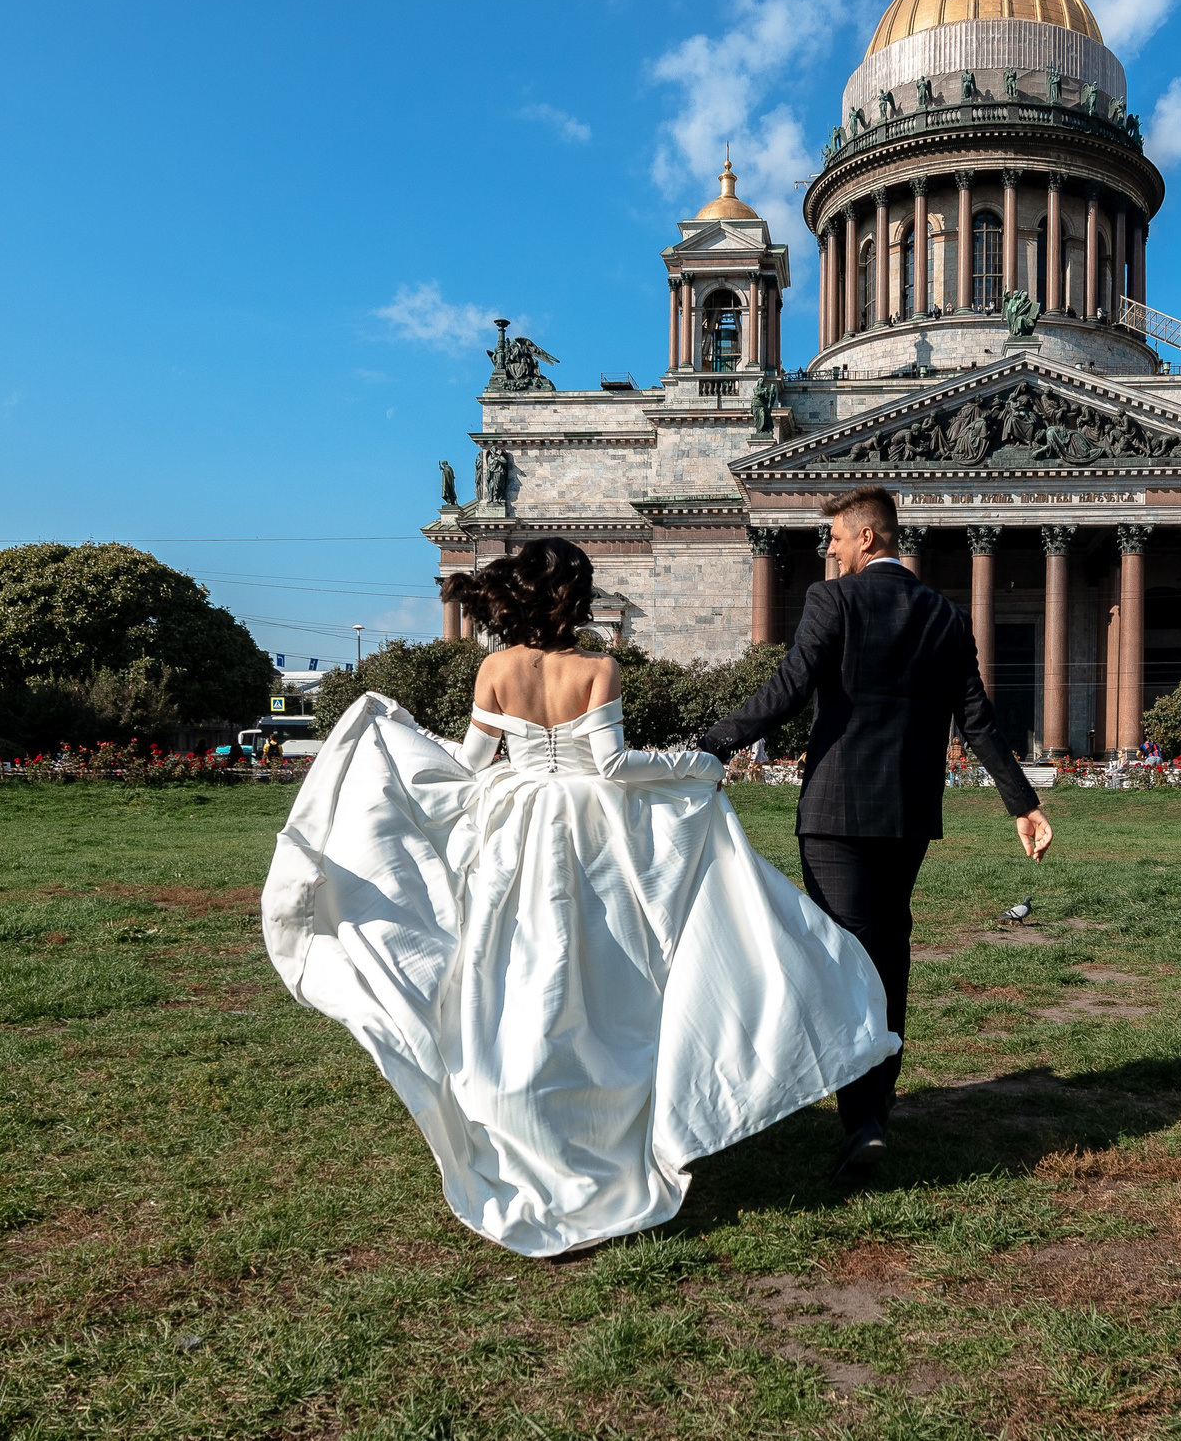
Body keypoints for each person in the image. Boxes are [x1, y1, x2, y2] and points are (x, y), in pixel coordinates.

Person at [262, 537, 896, 1258]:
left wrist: (409, 753)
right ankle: (604, 1133)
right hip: (589, 833)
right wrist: (692, 765)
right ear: (577, 597)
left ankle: (521, 1124)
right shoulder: (600, 667)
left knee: (514, 973)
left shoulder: (495, 667)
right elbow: (614, 764)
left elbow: (470, 766)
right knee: (597, 978)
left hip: (513, 831)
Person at [698, 485, 1051, 1184]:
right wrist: (1023, 803)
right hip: (908, 813)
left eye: (833, 536)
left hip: (835, 811)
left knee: (842, 956)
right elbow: (977, 719)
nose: (826, 548)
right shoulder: (947, 618)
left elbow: (791, 686)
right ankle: (875, 1103)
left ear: (866, 537)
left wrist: (712, 743)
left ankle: (861, 1119)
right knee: (888, 951)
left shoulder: (834, 601)